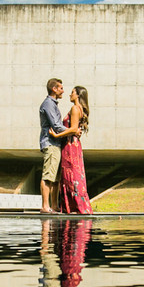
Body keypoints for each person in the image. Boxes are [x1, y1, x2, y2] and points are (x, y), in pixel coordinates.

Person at [51, 86, 92, 215]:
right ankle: (74, 206)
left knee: (71, 175)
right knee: (73, 174)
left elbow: (74, 128)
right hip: (73, 144)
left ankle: (75, 207)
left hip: (70, 145)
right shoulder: (79, 109)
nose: (70, 95)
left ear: (78, 95)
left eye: (72, 93)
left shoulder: (75, 108)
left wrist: (57, 135)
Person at [39, 78, 66, 213]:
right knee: (48, 175)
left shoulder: (53, 104)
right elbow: (56, 126)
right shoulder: (48, 104)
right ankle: (45, 206)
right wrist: (71, 131)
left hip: (56, 143)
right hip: (50, 143)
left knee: (55, 178)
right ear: (54, 89)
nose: (63, 90)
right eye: (60, 88)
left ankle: (54, 206)